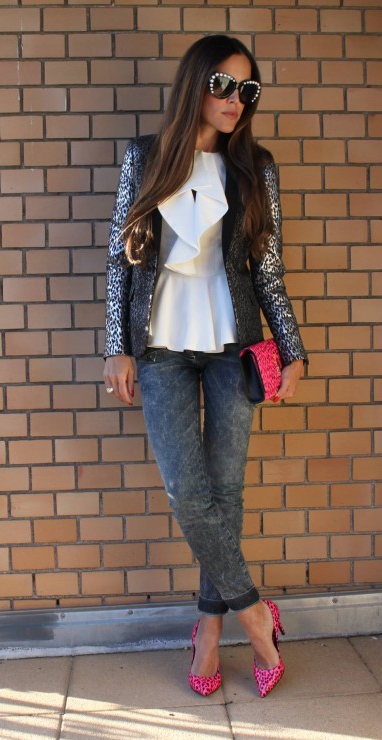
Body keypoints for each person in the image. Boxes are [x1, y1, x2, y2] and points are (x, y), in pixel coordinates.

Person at [103, 35, 308, 698]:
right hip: (159, 345)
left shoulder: (255, 167)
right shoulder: (146, 157)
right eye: (223, 84)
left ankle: (210, 633)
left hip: (232, 345)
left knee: (224, 495)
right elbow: (118, 260)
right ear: (195, 83)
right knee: (188, 495)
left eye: (247, 89)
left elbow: (268, 270)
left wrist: (293, 350)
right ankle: (255, 617)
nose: (235, 100)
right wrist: (115, 345)